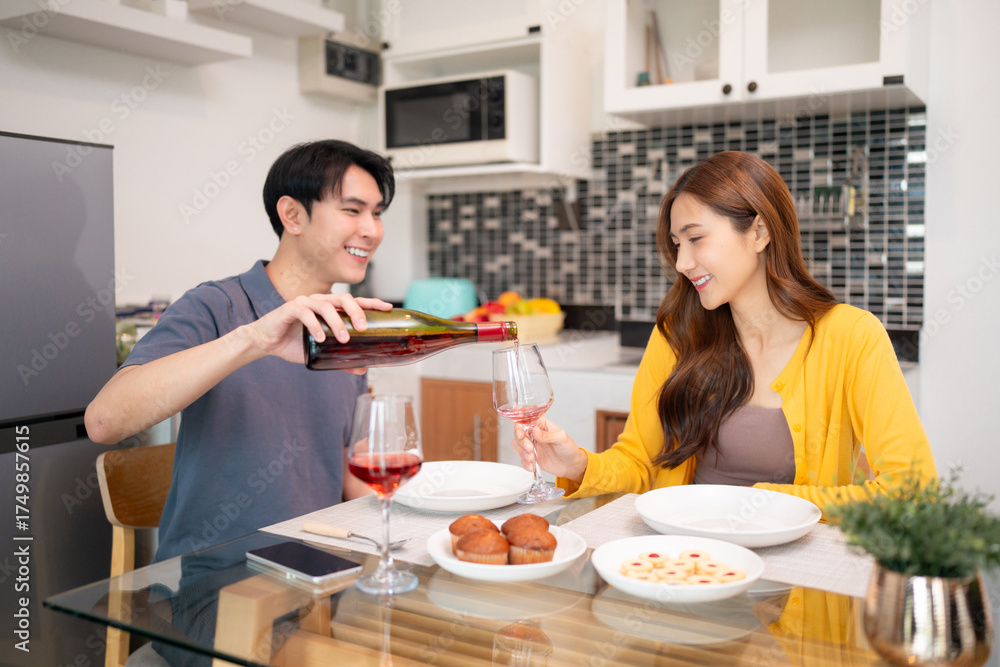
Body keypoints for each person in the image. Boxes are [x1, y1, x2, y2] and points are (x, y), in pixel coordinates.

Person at [512, 151, 937, 513]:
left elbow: (913, 493)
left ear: (759, 232)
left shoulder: (852, 338)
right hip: (686, 561)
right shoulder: (677, 335)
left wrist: (769, 503)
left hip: (796, 574)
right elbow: (641, 463)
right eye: (677, 244)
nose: (682, 263)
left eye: (696, 238)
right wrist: (578, 465)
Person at [85, 139, 394, 561]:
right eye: (353, 210)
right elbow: (103, 422)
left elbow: (346, 471)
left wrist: (425, 512)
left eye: (377, 213)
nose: (372, 230)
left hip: (317, 572)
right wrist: (253, 339)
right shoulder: (215, 306)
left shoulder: (345, 327)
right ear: (292, 215)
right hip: (214, 581)